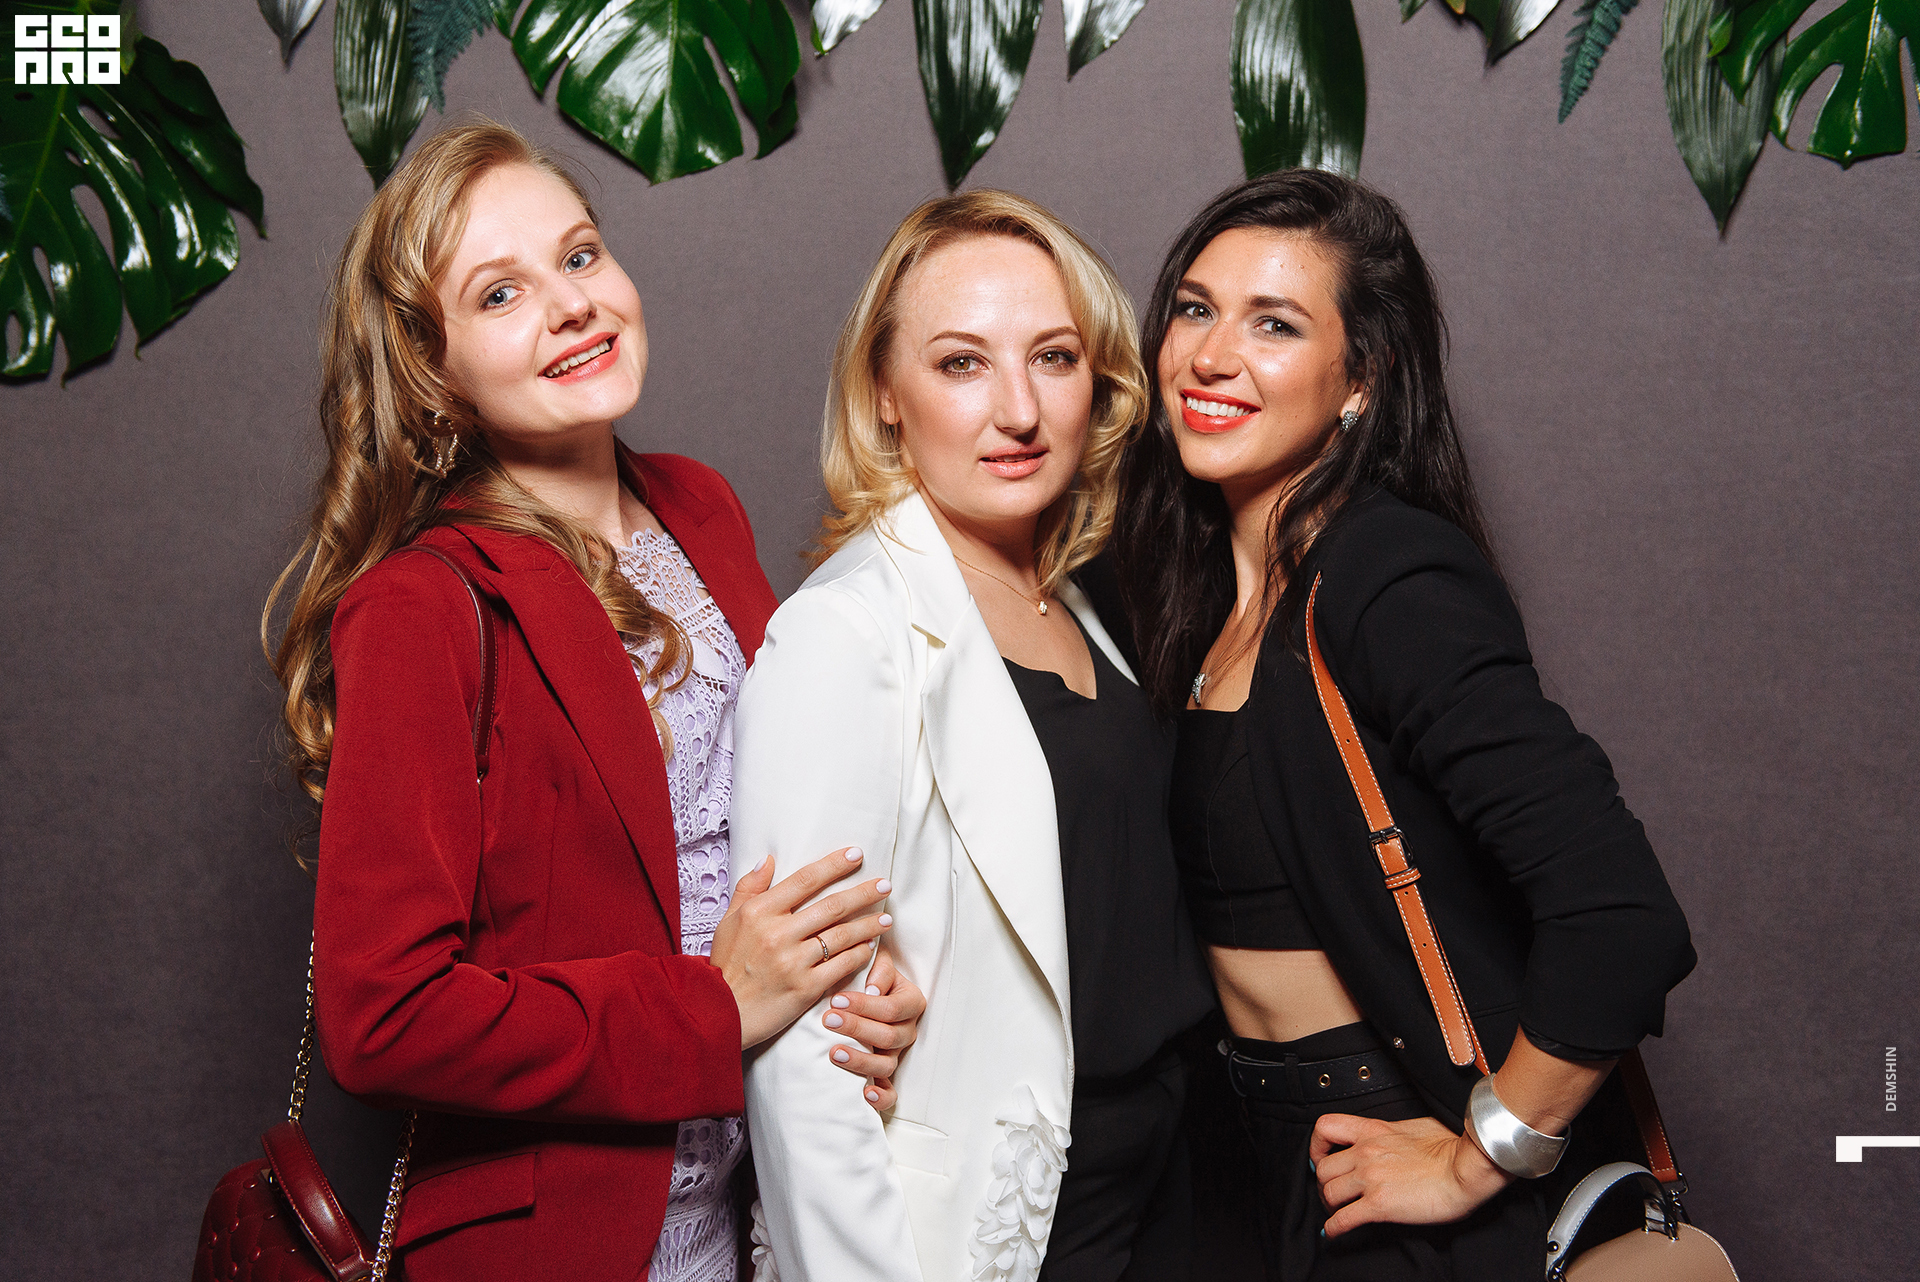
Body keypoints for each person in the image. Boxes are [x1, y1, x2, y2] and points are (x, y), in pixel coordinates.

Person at [264, 120, 925, 1282]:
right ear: (432, 368)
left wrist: (857, 981)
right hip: (559, 1246)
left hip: (752, 1213)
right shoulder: (420, 606)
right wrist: (714, 1009)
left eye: (578, 256)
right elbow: (382, 1015)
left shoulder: (698, 506)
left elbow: (765, 821)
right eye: (500, 292)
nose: (571, 303)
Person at [1108, 170, 1697, 1280]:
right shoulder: (1184, 600)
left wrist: (1486, 1153)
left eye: (1274, 324)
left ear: (1362, 379)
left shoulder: (1386, 576)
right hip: (1241, 1169)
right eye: (1194, 308)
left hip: (1395, 1162)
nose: (1210, 356)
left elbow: (1621, 914)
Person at [733, 191, 1215, 1282]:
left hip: (1164, 1174)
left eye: (1053, 357)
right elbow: (807, 1061)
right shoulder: (845, 633)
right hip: (1003, 1219)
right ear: (884, 395)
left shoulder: (1084, 598)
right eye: (961, 364)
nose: (1020, 409)